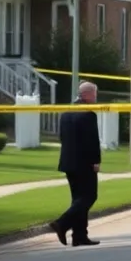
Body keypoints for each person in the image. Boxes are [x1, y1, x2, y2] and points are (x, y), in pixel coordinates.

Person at [49, 81, 102, 247]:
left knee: (78, 199)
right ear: (87, 95)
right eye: (94, 94)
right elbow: (92, 141)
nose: (96, 97)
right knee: (89, 196)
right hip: (84, 163)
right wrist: (96, 161)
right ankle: (62, 223)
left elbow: (61, 137)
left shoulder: (66, 113)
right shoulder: (88, 114)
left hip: (68, 162)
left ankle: (80, 235)